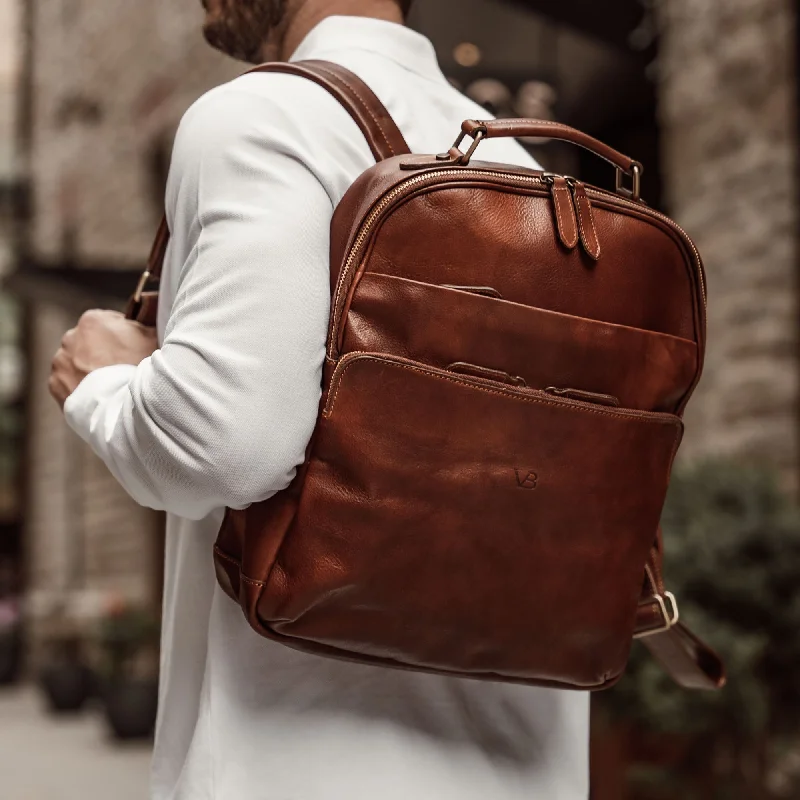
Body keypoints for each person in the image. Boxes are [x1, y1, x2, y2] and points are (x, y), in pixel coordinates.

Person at [49, 1, 590, 797]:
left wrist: (102, 384)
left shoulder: (262, 115)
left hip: (302, 764)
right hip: (526, 765)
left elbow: (226, 444)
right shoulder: (531, 168)